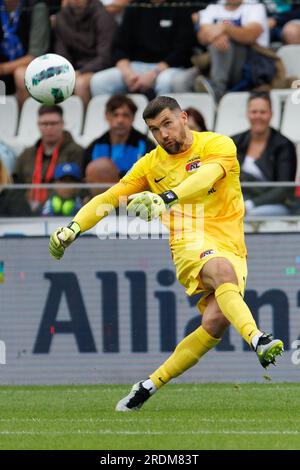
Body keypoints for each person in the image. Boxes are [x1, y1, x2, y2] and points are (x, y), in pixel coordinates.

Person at [49, 96, 284, 412]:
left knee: (216, 321)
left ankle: (147, 386)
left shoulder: (219, 145)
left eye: (167, 124)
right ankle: (259, 339)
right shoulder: (150, 164)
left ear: (184, 117)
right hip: (189, 240)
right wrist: (73, 228)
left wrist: (167, 197)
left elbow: (206, 177)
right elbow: (109, 196)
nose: (163, 135)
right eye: (154, 130)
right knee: (221, 273)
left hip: (232, 244)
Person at [90, 0, 195, 97]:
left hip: (169, 67)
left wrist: (154, 73)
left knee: (164, 82)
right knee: (99, 81)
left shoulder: (180, 6)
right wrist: (128, 74)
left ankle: (163, 117)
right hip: (135, 66)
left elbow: (183, 50)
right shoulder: (135, 6)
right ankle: (114, 117)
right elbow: (119, 47)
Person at [232, 92, 297, 216]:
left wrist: (249, 205)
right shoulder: (235, 141)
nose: (258, 116)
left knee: (250, 215)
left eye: (263, 112)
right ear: (247, 114)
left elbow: (284, 189)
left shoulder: (284, 145)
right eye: (254, 112)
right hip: (239, 199)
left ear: (271, 114)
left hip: (272, 203)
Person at [193, 0, 270, 102]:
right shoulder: (214, 6)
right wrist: (217, 37)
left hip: (250, 66)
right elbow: (202, 36)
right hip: (214, 63)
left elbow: (250, 35)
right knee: (181, 82)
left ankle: (218, 90)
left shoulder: (254, 6)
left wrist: (225, 28)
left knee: (224, 43)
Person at [14, 104, 83, 211]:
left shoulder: (77, 152)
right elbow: (15, 186)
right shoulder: (27, 154)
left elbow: (79, 188)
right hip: (26, 211)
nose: (49, 127)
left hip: (61, 211)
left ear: (62, 124)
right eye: (44, 123)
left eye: (53, 123)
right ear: (38, 125)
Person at [53, 0, 117, 107]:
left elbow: (105, 57)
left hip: (100, 68)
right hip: (74, 70)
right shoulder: (61, 18)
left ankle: (86, 122)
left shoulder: (103, 15)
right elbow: (61, 53)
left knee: (80, 84)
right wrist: (66, 72)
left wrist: (80, 72)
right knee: (51, 82)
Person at [82, 94, 155, 177]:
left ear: (133, 117)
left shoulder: (147, 146)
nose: (120, 120)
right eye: (115, 115)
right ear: (106, 116)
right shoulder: (94, 147)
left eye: (125, 115)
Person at [0, 0, 50, 106]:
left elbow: (35, 56)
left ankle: (24, 119)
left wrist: (3, 69)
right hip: (4, 71)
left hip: (34, 67)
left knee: (21, 75)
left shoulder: (36, 7)